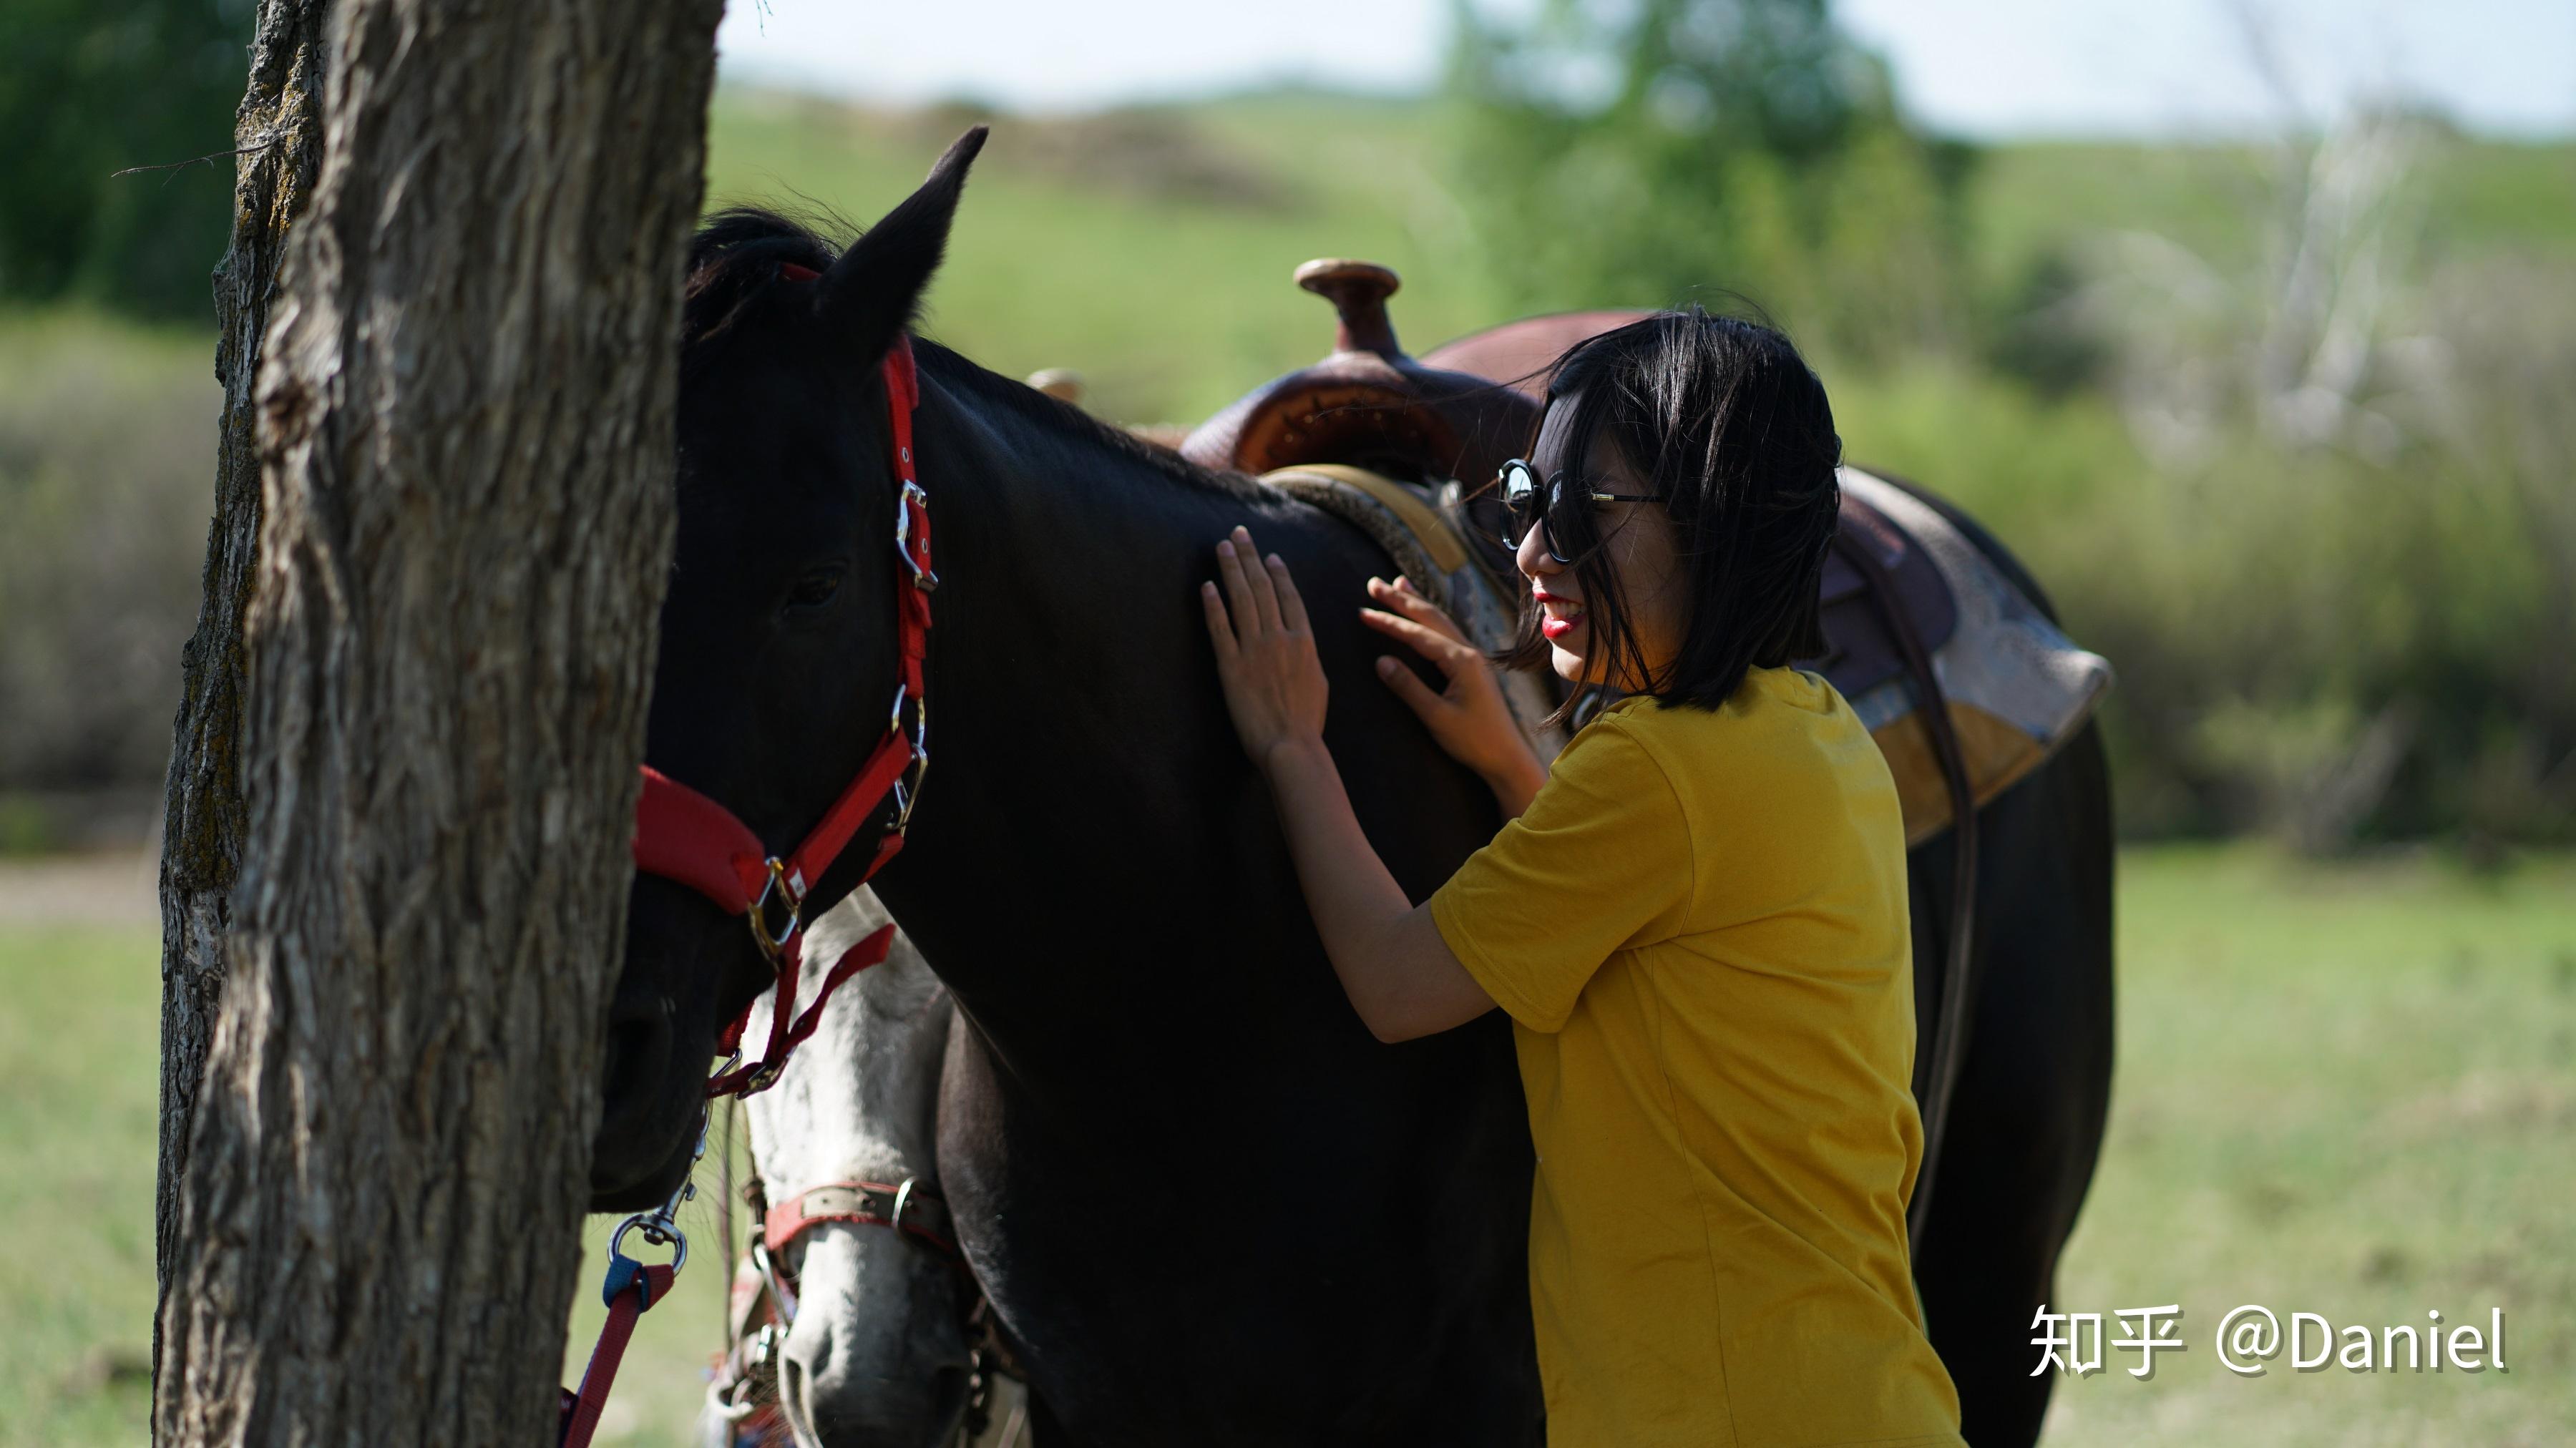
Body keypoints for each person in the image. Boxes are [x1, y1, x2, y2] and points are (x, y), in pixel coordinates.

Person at [1198, 308, 1966, 1447]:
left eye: (1581, 511)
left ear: (1721, 524)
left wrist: (1291, 747)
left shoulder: (1653, 769)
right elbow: (1662, 919)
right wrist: (1516, 761)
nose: (1533, 552)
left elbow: (1398, 985)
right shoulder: (1814, 732)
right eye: (1525, 495)